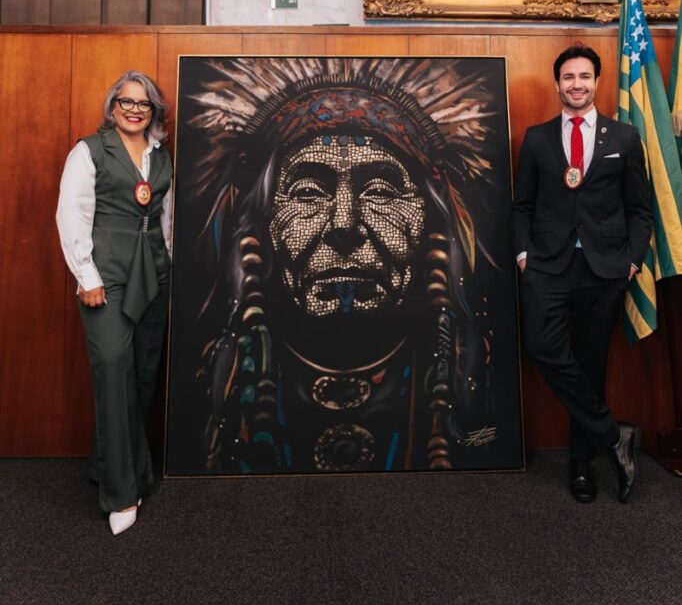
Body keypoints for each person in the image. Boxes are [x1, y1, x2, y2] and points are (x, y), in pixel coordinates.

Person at [178, 57, 519, 476]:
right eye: (308, 192)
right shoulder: (215, 383)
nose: (345, 224)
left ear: (429, 220)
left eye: (380, 191)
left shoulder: (476, 379)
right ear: (264, 224)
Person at [512, 45, 652, 504]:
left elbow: (639, 210)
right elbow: (523, 206)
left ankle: (580, 464)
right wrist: (523, 256)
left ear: (597, 82)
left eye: (584, 76)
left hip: (604, 268)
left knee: (590, 365)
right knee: (543, 347)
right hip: (547, 266)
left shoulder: (624, 138)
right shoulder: (537, 139)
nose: (577, 84)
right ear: (558, 84)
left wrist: (631, 261)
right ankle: (613, 434)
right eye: (569, 77)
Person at [56, 71, 172, 535]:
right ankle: (122, 493)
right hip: (107, 280)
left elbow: (166, 220)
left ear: (153, 111)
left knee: (142, 376)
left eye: (144, 104)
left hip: (154, 276)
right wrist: (86, 276)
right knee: (113, 369)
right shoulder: (88, 152)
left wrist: (170, 265)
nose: (134, 110)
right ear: (113, 106)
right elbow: (71, 215)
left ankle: (111, 465)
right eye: (126, 101)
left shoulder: (161, 155)